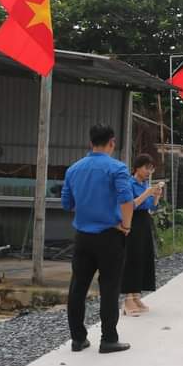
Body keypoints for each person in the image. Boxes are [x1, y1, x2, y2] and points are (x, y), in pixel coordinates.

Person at [61, 124, 135, 354]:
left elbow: (67, 204)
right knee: (110, 288)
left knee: (78, 287)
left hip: (83, 237)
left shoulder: (74, 169)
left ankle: (78, 339)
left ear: (90, 142)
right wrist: (126, 225)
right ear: (112, 142)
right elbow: (126, 199)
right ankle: (109, 339)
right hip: (110, 237)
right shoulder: (117, 168)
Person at [121, 154, 163, 317]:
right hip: (132, 222)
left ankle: (136, 295)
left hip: (144, 221)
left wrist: (156, 196)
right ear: (137, 167)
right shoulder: (129, 183)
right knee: (132, 257)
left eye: (151, 169)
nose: (148, 172)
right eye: (146, 168)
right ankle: (127, 299)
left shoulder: (145, 184)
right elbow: (131, 204)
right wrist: (147, 193)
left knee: (143, 257)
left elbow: (150, 208)